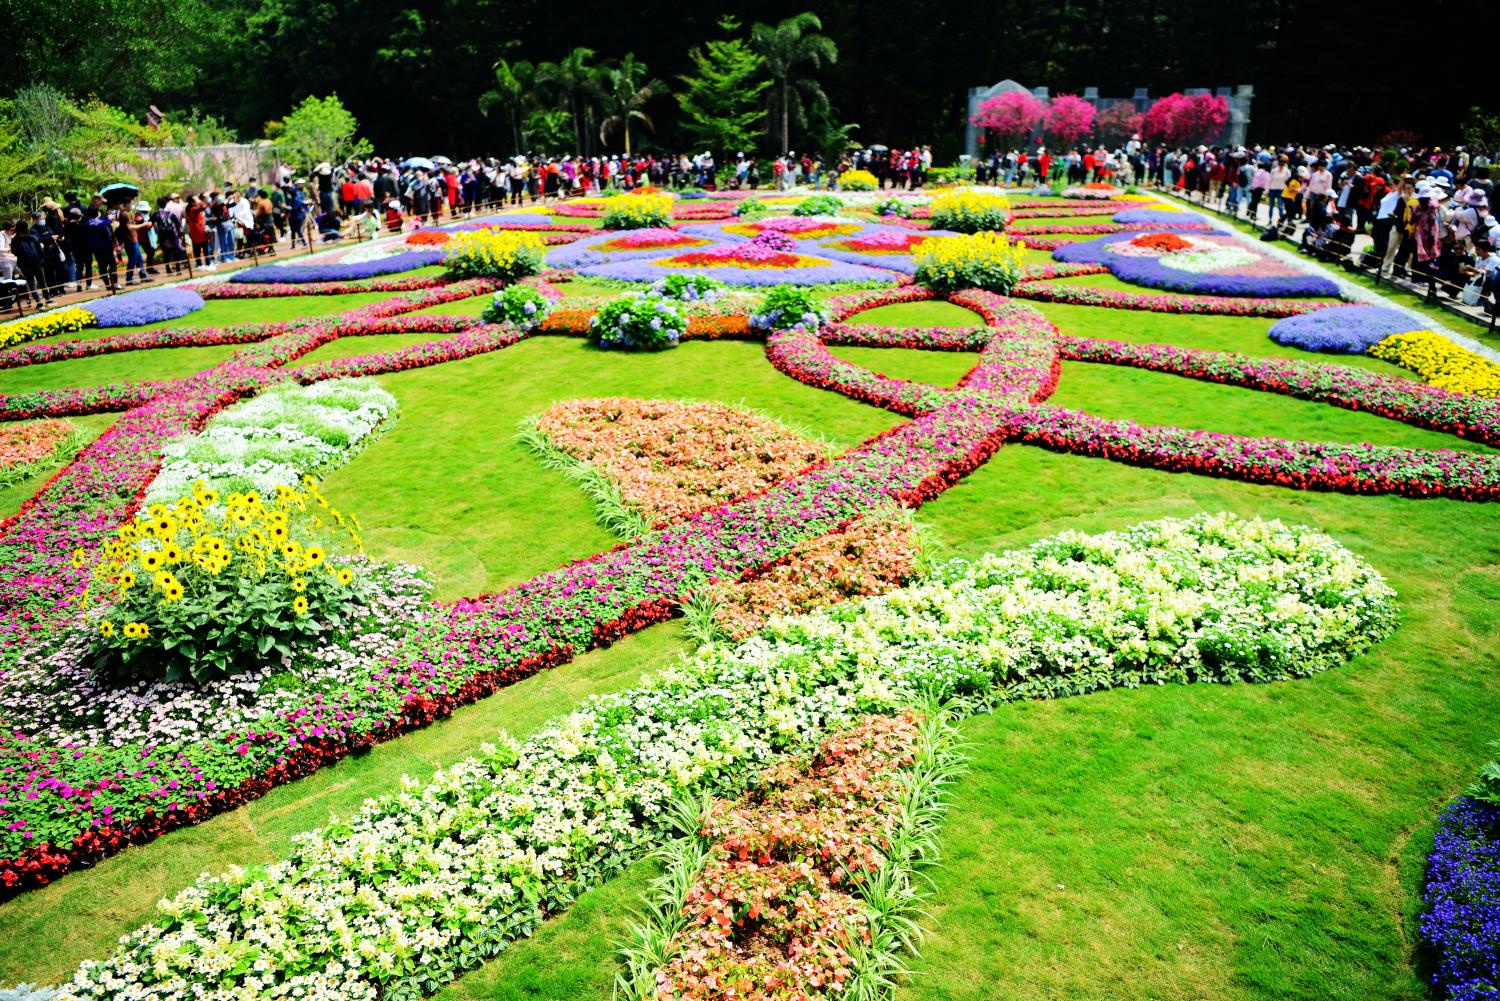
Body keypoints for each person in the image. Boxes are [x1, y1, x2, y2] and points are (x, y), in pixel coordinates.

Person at [9, 222, 49, 306]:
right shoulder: (33, 237)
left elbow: (14, 252)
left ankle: (38, 302)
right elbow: (40, 250)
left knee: (31, 283)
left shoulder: (15, 240)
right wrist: (44, 259)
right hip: (37, 262)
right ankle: (48, 299)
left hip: (24, 264)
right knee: (42, 281)